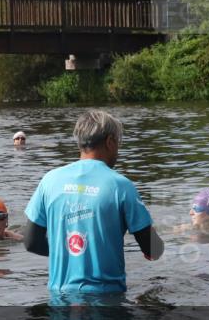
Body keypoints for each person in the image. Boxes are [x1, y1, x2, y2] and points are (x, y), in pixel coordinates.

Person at [21, 110, 164, 295]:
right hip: (107, 299)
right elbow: (153, 250)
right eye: (118, 143)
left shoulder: (49, 181)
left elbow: (31, 243)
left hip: (59, 299)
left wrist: (71, 254)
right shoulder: (121, 186)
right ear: (110, 142)